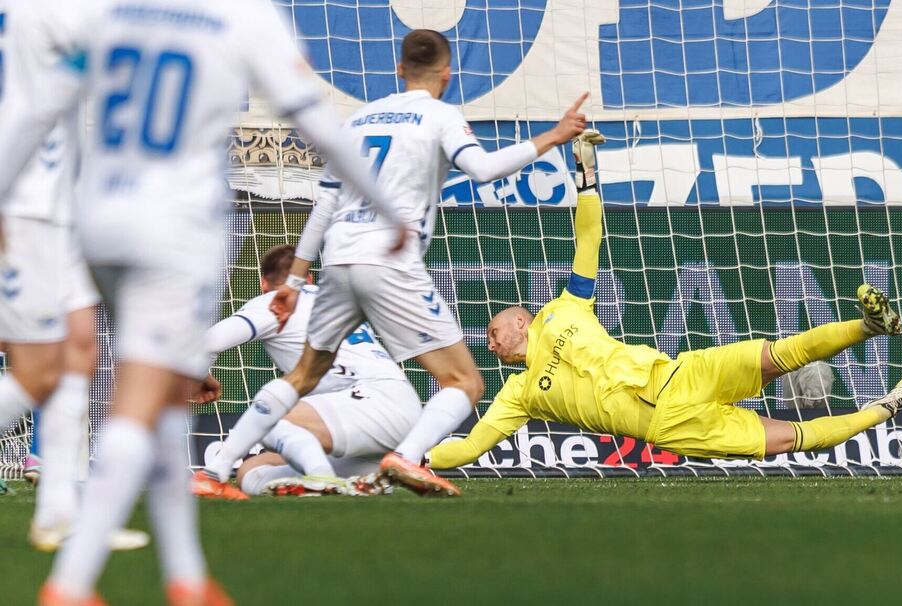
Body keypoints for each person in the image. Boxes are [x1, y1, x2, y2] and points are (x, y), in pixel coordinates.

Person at [0, 1, 408, 603]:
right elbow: (317, 124)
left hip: (95, 217)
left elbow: (39, 107)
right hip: (173, 228)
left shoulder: (116, 12)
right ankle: (71, 582)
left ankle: (187, 578)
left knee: (162, 398)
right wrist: (386, 204)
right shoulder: (242, 15)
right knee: (141, 399)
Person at [194, 29, 588, 499]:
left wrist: (295, 280)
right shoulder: (440, 115)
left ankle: (212, 474)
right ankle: (406, 455)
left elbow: (324, 205)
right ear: (446, 74)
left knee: (301, 376)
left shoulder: (359, 119)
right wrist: (556, 135)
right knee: (464, 381)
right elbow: (483, 169)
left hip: (338, 258)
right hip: (389, 259)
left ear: (399, 70)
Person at [428, 130, 902, 471]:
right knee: (789, 438)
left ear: (521, 320)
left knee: (775, 355)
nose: (490, 345)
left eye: (493, 332)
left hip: (678, 372)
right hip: (671, 423)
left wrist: (586, 174)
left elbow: (588, 240)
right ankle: (884, 408)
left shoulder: (564, 308)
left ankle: (869, 327)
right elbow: (471, 447)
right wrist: (418, 458)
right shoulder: (518, 395)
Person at [0, 0, 148, 553]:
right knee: (38, 371)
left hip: (59, 206)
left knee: (81, 347)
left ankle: (60, 512)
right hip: (23, 206)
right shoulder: (42, 13)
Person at [202, 245, 420, 497]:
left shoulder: (274, 302)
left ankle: (321, 478)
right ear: (309, 278)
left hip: (368, 402)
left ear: (263, 283)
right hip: (399, 409)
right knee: (251, 470)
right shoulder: (334, 298)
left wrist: (201, 377)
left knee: (265, 417)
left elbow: (209, 342)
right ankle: (348, 484)